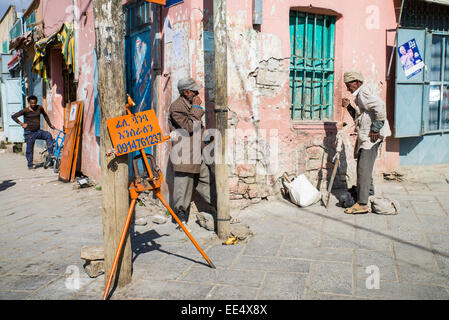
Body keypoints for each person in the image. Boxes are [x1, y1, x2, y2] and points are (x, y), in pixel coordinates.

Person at [342, 71, 391, 214]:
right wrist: (349, 107)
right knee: (365, 167)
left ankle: (363, 203)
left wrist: (375, 129)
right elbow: (361, 116)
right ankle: (368, 195)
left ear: (357, 82)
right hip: (367, 136)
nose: (347, 88)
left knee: (363, 168)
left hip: (371, 137)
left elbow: (380, 107)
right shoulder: (360, 94)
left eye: (348, 84)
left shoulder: (363, 92)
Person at [168, 78, 213, 230]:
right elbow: (188, 127)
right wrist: (196, 108)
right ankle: (181, 219)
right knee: (183, 186)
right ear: (186, 92)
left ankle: (218, 210)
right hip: (184, 154)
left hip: (198, 152)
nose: (197, 93)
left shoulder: (191, 105)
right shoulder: (177, 107)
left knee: (207, 183)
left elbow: (198, 126)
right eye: (194, 91)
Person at [12, 95, 56, 169]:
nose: (33, 105)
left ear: (36, 102)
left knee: (48, 135)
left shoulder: (39, 108)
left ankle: (50, 154)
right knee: (29, 149)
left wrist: (50, 125)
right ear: (29, 102)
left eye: (34, 103)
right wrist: (22, 124)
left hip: (38, 131)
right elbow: (14, 116)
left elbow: (45, 116)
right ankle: (30, 165)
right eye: (32, 103)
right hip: (29, 133)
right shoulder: (25, 110)